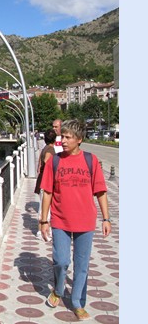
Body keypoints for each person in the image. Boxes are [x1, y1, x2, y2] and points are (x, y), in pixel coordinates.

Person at [39, 119, 111, 321]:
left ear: (79, 139)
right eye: (63, 136)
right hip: (60, 220)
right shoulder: (55, 160)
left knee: (82, 265)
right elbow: (47, 193)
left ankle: (78, 302)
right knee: (61, 261)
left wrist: (106, 218)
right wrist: (43, 220)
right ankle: (59, 290)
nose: (63, 140)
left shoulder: (91, 160)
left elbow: (101, 191)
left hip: (85, 221)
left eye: (68, 137)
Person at [34, 129, 57, 240]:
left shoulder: (44, 148)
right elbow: (48, 162)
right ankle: (41, 231)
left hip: (42, 179)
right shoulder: (50, 150)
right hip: (46, 180)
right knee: (44, 206)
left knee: (45, 205)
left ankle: (46, 230)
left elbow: (39, 164)